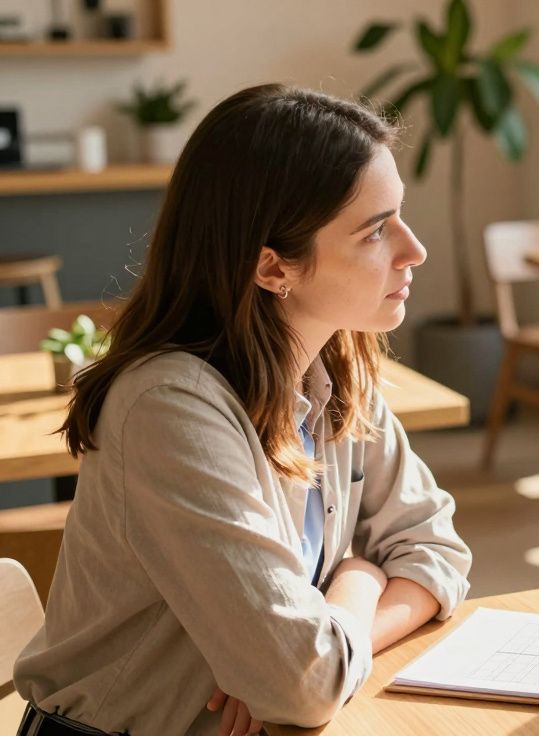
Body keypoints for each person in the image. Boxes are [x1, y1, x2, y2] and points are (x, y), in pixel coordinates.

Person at [13, 84, 472, 736]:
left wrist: (329, 629)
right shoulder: (168, 411)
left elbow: (438, 551)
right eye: (376, 230)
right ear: (273, 268)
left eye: (399, 214)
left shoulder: (337, 370)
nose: (413, 249)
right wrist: (362, 578)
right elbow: (303, 686)